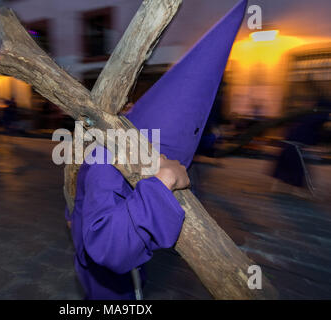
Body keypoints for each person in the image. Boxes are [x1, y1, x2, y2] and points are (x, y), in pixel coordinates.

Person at [65, 0, 246, 299]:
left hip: (114, 269)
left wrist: (72, 213)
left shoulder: (116, 147)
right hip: (105, 280)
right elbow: (108, 246)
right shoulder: (105, 159)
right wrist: (164, 182)